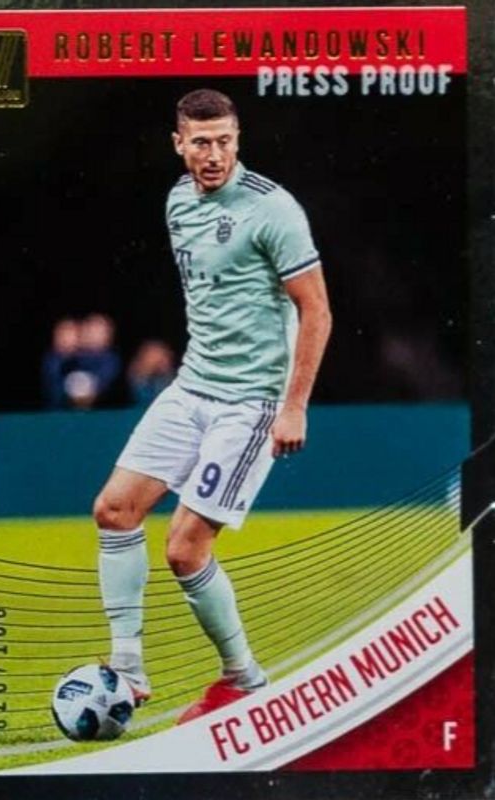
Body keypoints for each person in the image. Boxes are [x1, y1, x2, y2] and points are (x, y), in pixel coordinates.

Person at [93, 89, 332, 722]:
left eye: (225, 140)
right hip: (192, 386)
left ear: (238, 139)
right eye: (201, 142)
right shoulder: (177, 201)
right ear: (179, 144)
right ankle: (127, 669)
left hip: (250, 404)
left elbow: (316, 309)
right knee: (114, 511)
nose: (214, 154)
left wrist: (294, 407)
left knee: (184, 549)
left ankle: (244, 680)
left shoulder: (272, 209)